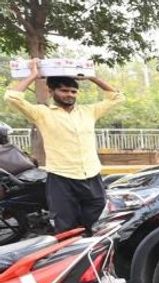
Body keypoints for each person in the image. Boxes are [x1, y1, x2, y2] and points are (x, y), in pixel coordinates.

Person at [4, 58, 124, 233]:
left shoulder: (88, 111)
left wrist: (92, 77)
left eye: (74, 91)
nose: (70, 94)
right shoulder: (42, 113)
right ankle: (69, 258)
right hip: (61, 178)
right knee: (65, 227)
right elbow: (11, 97)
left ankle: (95, 258)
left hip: (92, 175)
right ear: (51, 91)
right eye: (64, 90)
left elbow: (117, 97)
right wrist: (33, 75)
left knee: (98, 224)